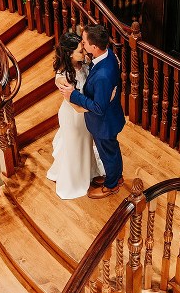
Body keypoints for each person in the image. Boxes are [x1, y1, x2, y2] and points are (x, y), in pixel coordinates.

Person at [60, 24, 126, 199]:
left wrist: (74, 94)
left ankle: (111, 185)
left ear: (94, 47)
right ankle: (116, 177)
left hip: (104, 123)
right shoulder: (109, 56)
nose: (82, 44)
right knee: (111, 150)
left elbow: (98, 107)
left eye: (84, 41)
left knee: (108, 153)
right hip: (111, 117)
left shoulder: (102, 74)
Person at [46, 32, 105, 200]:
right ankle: (74, 181)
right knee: (75, 147)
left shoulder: (84, 64)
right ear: (69, 53)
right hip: (73, 115)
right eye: (80, 50)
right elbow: (76, 106)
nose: (84, 52)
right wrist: (98, 108)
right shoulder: (62, 77)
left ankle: (89, 173)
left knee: (86, 144)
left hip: (86, 112)